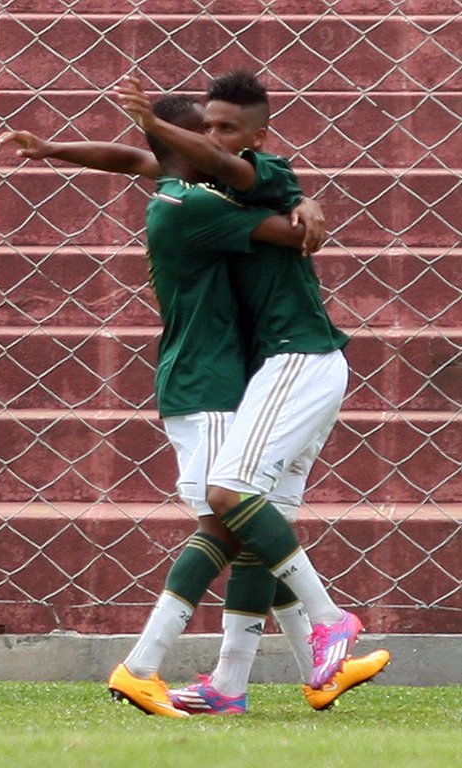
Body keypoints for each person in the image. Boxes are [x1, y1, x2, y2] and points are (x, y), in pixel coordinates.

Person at [109, 73, 390, 716]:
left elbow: (294, 227)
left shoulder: (252, 176)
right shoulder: (198, 194)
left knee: (228, 500)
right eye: (204, 125)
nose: (211, 138)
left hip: (299, 357)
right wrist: (57, 149)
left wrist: (305, 207)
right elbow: (137, 160)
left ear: (257, 139)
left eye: (226, 128)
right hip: (272, 369)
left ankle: (326, 623)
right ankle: (235, 683)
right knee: (254, 518)